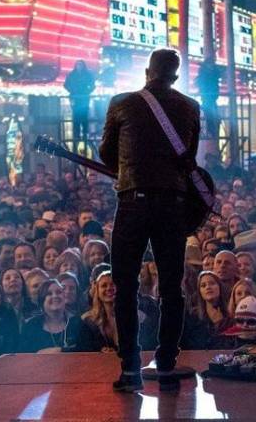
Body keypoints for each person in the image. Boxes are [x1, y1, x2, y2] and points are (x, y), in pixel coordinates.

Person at [99, 48, 200, 393]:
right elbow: (190, 157)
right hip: (173, 205)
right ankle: (167, 363)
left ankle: (130, 368)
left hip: (134, 201)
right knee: (172, 287)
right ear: (174, 76)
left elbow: (106, 153)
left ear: (147, 71)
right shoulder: (190, 107)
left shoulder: (121, 103)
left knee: (125, 285)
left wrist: (130, 167)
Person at [20, 279, 79, 353]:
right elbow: (23, 356)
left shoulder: (78, 324)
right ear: (42, 300)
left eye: (59, 292)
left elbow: (87, 352)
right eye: (49, 294)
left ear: (64, 297)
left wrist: (61, 350)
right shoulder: (30, 326)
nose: (55, 296)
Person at [181, 271, 232, 350]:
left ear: (219, 287)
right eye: (203, 285)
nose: (208, 287)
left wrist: (218, 325)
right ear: (200, 291)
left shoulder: (229, 316)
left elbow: (228, 347)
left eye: (212, 283)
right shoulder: (192, 316)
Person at [76, 271, 118, 352]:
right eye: (104, 286)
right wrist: (100, 350)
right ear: (97, 291)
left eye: (113, 284)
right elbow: (83, 350)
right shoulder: (87, 320)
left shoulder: (137, 318)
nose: (109, 288)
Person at [64, 59, 96, 149]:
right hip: (75, 98)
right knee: (76, 116)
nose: (79, 66)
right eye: (78, 64)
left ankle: (85, 133)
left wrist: (87, 92)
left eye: (80, 65)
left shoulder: (88, 75)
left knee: (84, 115)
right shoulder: (71, 75)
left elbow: (93, 85)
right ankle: (77, 134)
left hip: (84, 98)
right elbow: (66, 85)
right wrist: (72, 91)